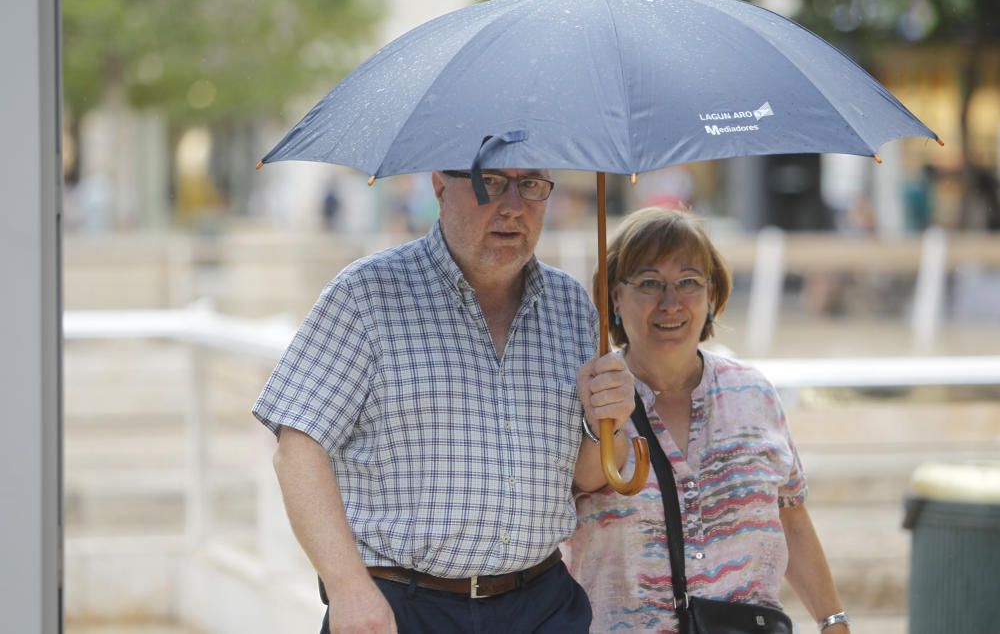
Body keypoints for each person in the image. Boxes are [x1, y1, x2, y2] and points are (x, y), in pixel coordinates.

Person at [252, 168, 636, 634]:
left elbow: (585, 475)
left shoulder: (572, 305)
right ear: (439, 184)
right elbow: (297, 451)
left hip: (543, 605)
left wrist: (604, 421)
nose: (513, 206)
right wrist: (349, 588)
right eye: (492, 182)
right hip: (402, 609)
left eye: (532, 185)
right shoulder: (366, 295)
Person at [566, 207, 850, 634]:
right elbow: (584, 481)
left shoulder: (753, 393)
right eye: (648, 283)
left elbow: (789, 514)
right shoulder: (593, 397)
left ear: (711, 294)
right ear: (614, 299)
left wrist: (833, 621)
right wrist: (602, 418)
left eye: (688, 282)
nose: (670, 302)